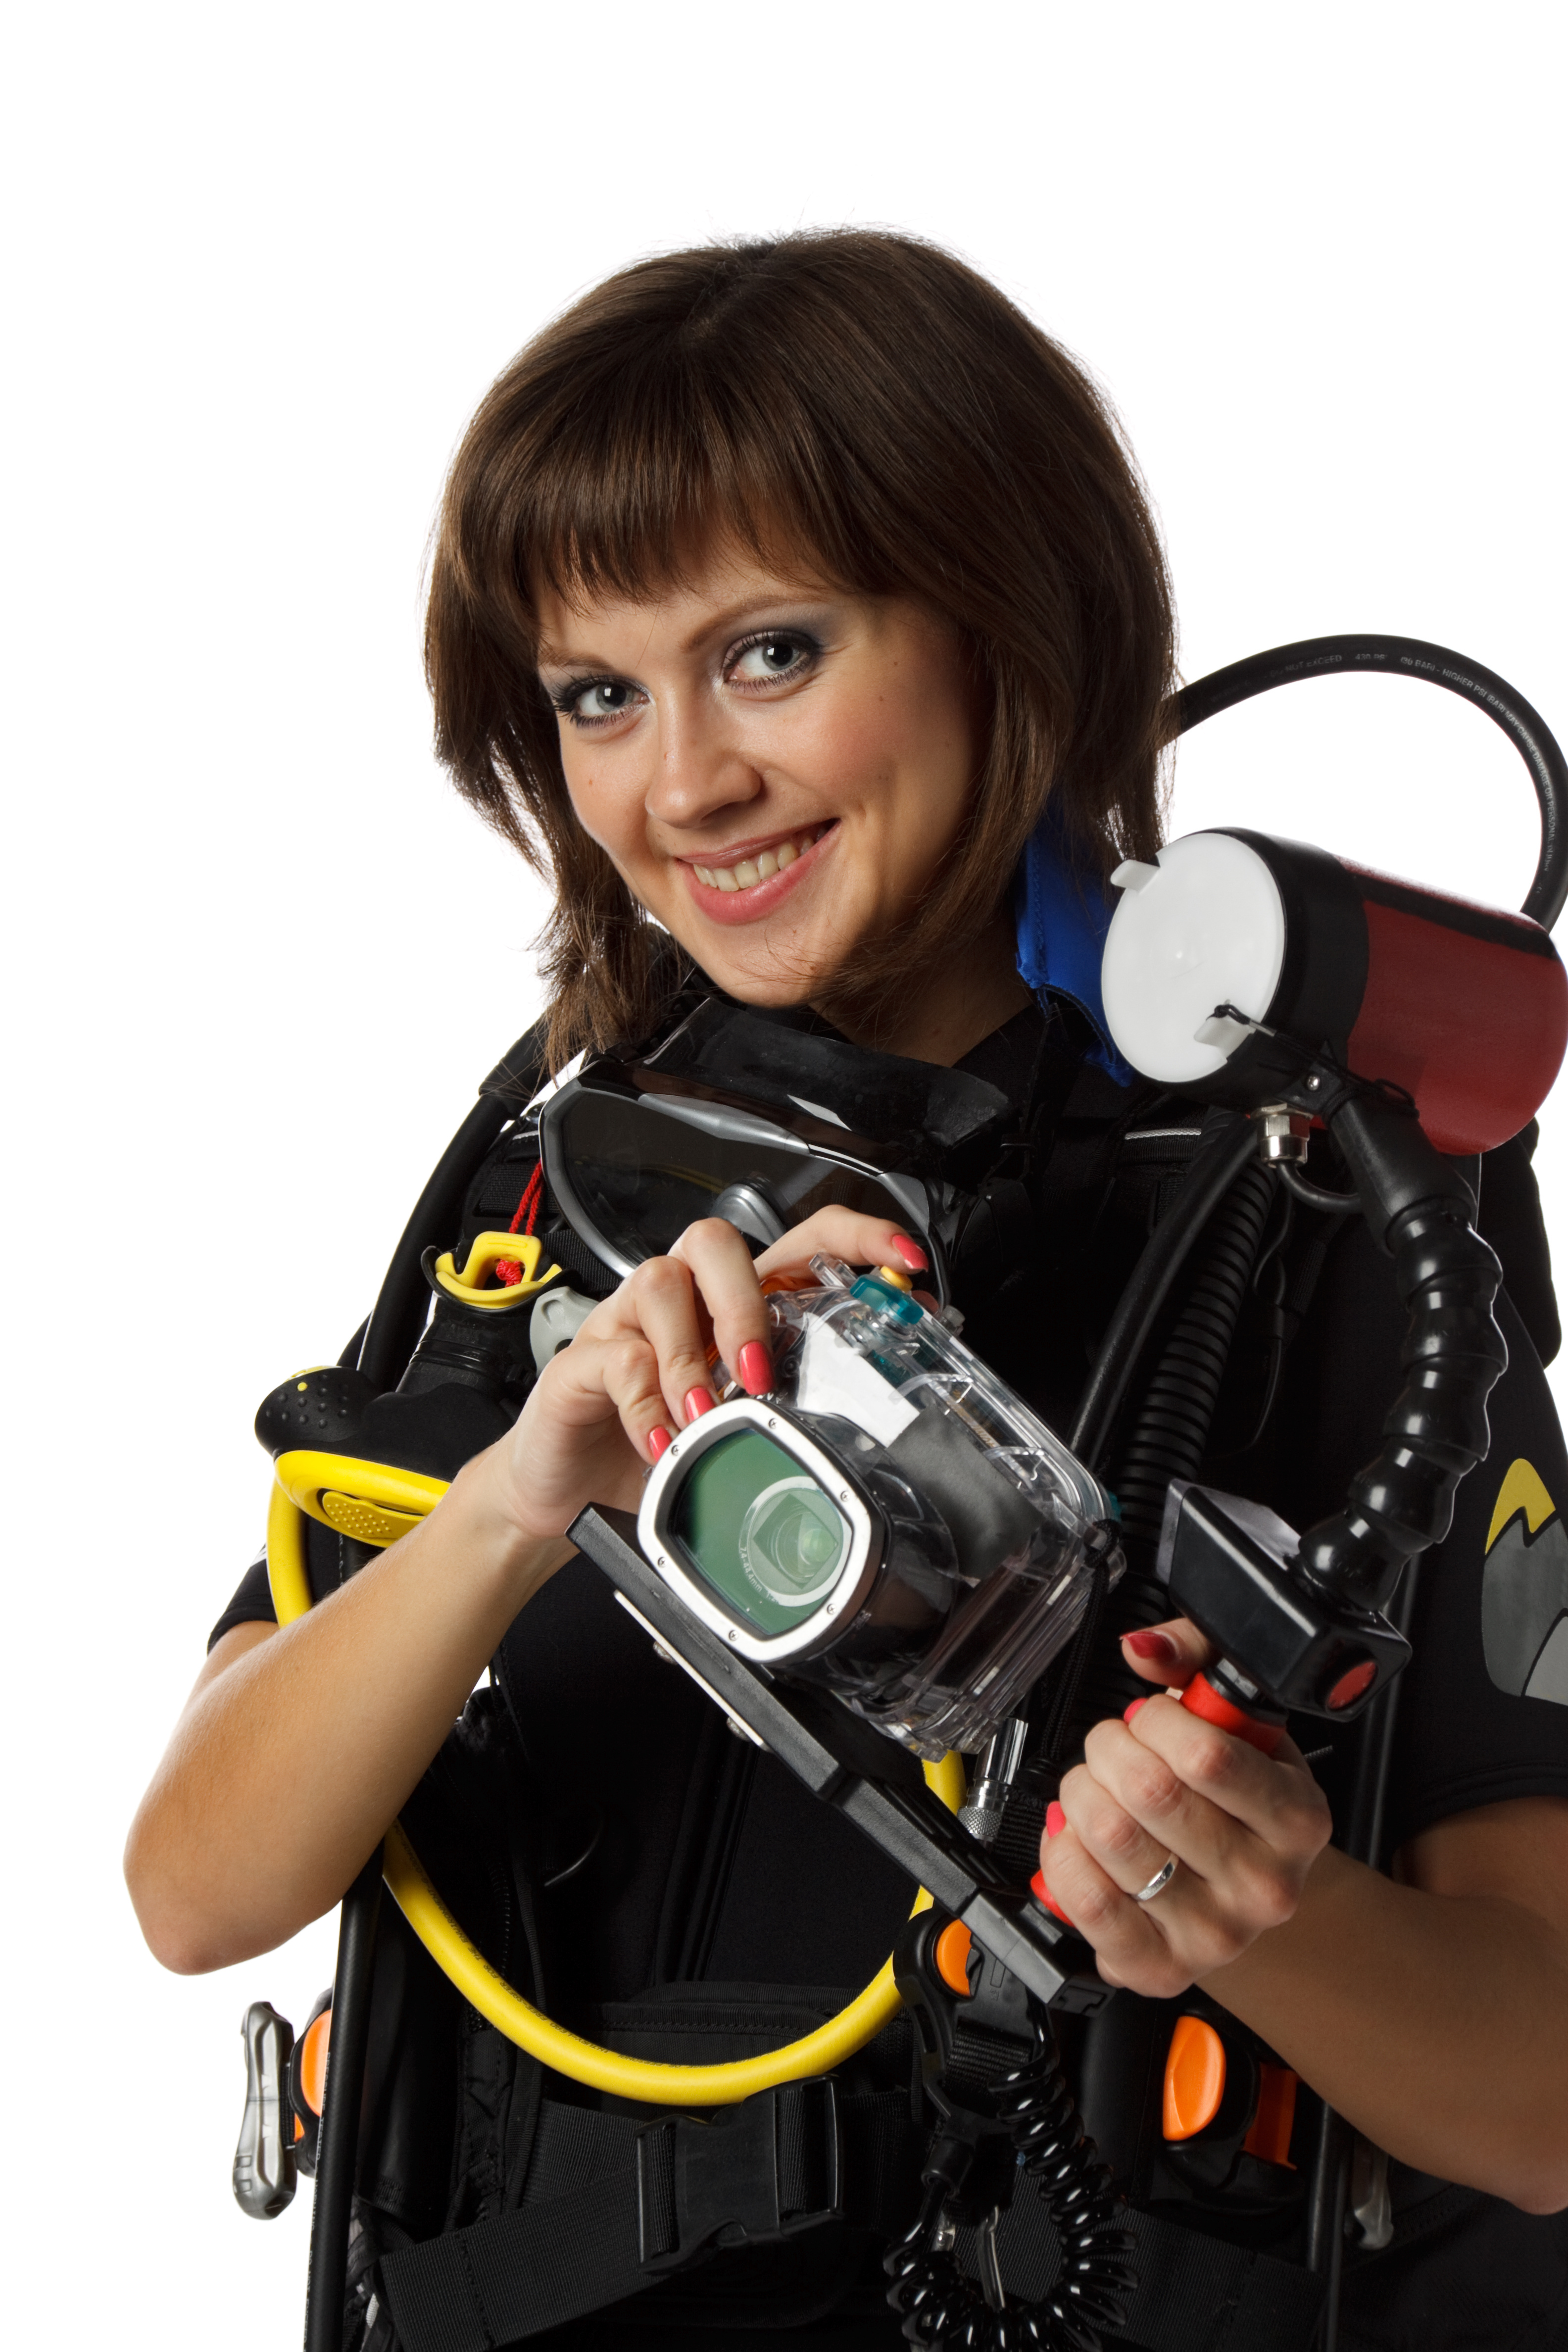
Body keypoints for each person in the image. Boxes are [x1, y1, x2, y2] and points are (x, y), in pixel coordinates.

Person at [125, 231, 1568, 2352]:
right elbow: (195, 1891)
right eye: (598, 694)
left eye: (772, 654)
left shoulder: (1312, 1200)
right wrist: (529, 1496)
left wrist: (1256, 1912)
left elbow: (1537, 2096)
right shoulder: (545, 1195)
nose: (680, 784)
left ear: (1010, 627)